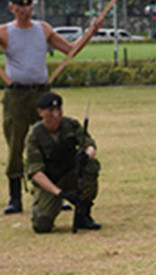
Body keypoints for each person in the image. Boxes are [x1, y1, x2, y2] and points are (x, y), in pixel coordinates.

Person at [0, 0, 89, 214]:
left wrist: (92, 31)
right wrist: (7, 80)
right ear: (12, 8)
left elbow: (70, 50)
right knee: (16, 144)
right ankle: (15, 197)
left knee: (51, 143)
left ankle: (57, 193)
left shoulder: (43, 29)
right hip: (18, 96)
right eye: (20, 7)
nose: (25, 11)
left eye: (28, 6)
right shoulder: (5, 32)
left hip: (42, 93)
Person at [24, 91, 101, 233]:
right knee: (42, 225)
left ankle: (83, 213)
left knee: (90, 166)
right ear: (40, 112)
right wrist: (60, 193)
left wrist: (87, 155)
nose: (56, 114)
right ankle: (51, 205)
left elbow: (89, 144)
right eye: (51, 110)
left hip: (70, 173)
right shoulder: (35, 135)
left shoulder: (71, 125)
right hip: (49, 181)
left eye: (59, 109)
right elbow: (36, 172)